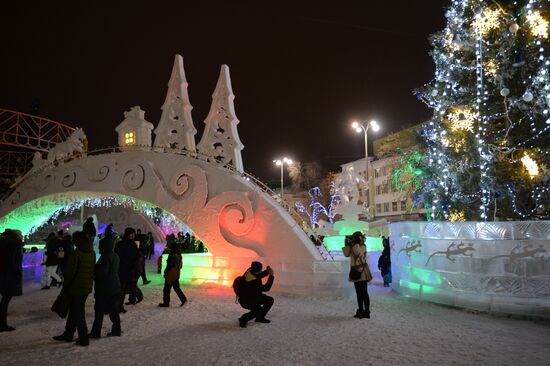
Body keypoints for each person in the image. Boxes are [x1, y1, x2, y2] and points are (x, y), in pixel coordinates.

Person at [53, 231, 95, 346]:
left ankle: (83, 338)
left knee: (79, 314)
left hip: (76, 287)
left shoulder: (76, 254)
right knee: (75, 311)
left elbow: (70, 273)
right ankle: (68, 333)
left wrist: (65, 284)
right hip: (86, 287)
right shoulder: (92, 253)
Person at [89, 228, 121, 338]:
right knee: (113, 310)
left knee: (99, 311)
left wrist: (94, 272)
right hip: (114, 286)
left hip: (105, 288)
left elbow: (102, 273)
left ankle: (96, 332)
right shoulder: (115, 255)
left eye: (100, 245)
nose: (99, 247)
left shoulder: (105, 257)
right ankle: (117, 329)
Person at [342, 231, 372, 319]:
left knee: (364, 293)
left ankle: (367, 312)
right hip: (355, 271)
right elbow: (346, 254)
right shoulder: (354, 245)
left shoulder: (363, 246)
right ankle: (360, 310)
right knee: (358, 293)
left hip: (362, 272)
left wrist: (354, 243)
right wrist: (347, 243)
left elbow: (358, 253)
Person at [237, 261, 275, 328]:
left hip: (252, 296)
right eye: (260, 270)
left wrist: (266, 272)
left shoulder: (250, 271)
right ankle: (243, 319)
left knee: (269, 300)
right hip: (246, 300)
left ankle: (260, 318)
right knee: (258, 310)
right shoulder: (253, 282)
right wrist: (271, 276)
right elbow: (266, 288)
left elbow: (258, 275)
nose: (261, 271)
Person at [0, 229, 23, 332]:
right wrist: (16, 273)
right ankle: (2, 324)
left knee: (4, 301)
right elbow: (12, 262)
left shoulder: (3, 243)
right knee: (5, 301)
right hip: (8, 276)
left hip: (2, 274)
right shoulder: (14, 245)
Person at [114, 228, 140, 312]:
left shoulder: (121, 244)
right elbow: (135, 257)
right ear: (128, 234)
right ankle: (117, 306)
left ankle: (119, 305)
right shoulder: (130, 245)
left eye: (133, 234)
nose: (133, 235)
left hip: (124, 269)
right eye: (132, 234)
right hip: (125, 269)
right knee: (122, 288)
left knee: (123, 288)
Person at [158, 242, 187, 307]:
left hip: (170, 274)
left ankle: (166, 303)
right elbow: (181, 266)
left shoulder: (172, 254)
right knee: (176, 288)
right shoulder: (179, 255)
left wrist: (165, 272)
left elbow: (169, 265)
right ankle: (183, 299)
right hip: (176, 273)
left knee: (166, 289)